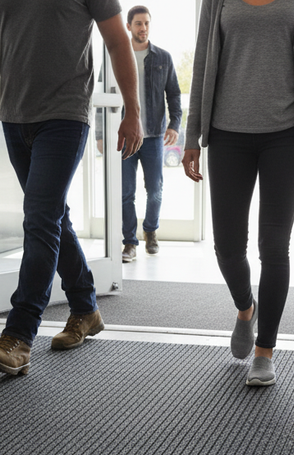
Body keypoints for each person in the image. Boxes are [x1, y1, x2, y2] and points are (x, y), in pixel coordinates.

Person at [0, 0, 143, 376]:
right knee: (51, 217)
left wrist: (132, 110)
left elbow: (118, 41)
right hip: (14, 117)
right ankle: (85, 308)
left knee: (40, 218)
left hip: (66, 115)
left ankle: (18, 336)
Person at [181, 0, 294, 387]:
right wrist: (192, 134)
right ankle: (245, 308)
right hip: (226, 135)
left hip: (289, 136)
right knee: (227, 247)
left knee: (274, 245)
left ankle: (265, 350)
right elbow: (202, 62)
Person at [117, 5, 182, 263]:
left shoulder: (163, 58)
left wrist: (174, 125)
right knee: (126, 193)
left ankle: (150, 232)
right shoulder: (117, 56)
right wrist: (101, 133)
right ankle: (129, 243)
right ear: (128, 26)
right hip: (125, 137)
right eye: (138, 23)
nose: (143, 28)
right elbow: (103, 92)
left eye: (146, 23)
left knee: (155, 190)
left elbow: (174, 93)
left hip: (154, 135)